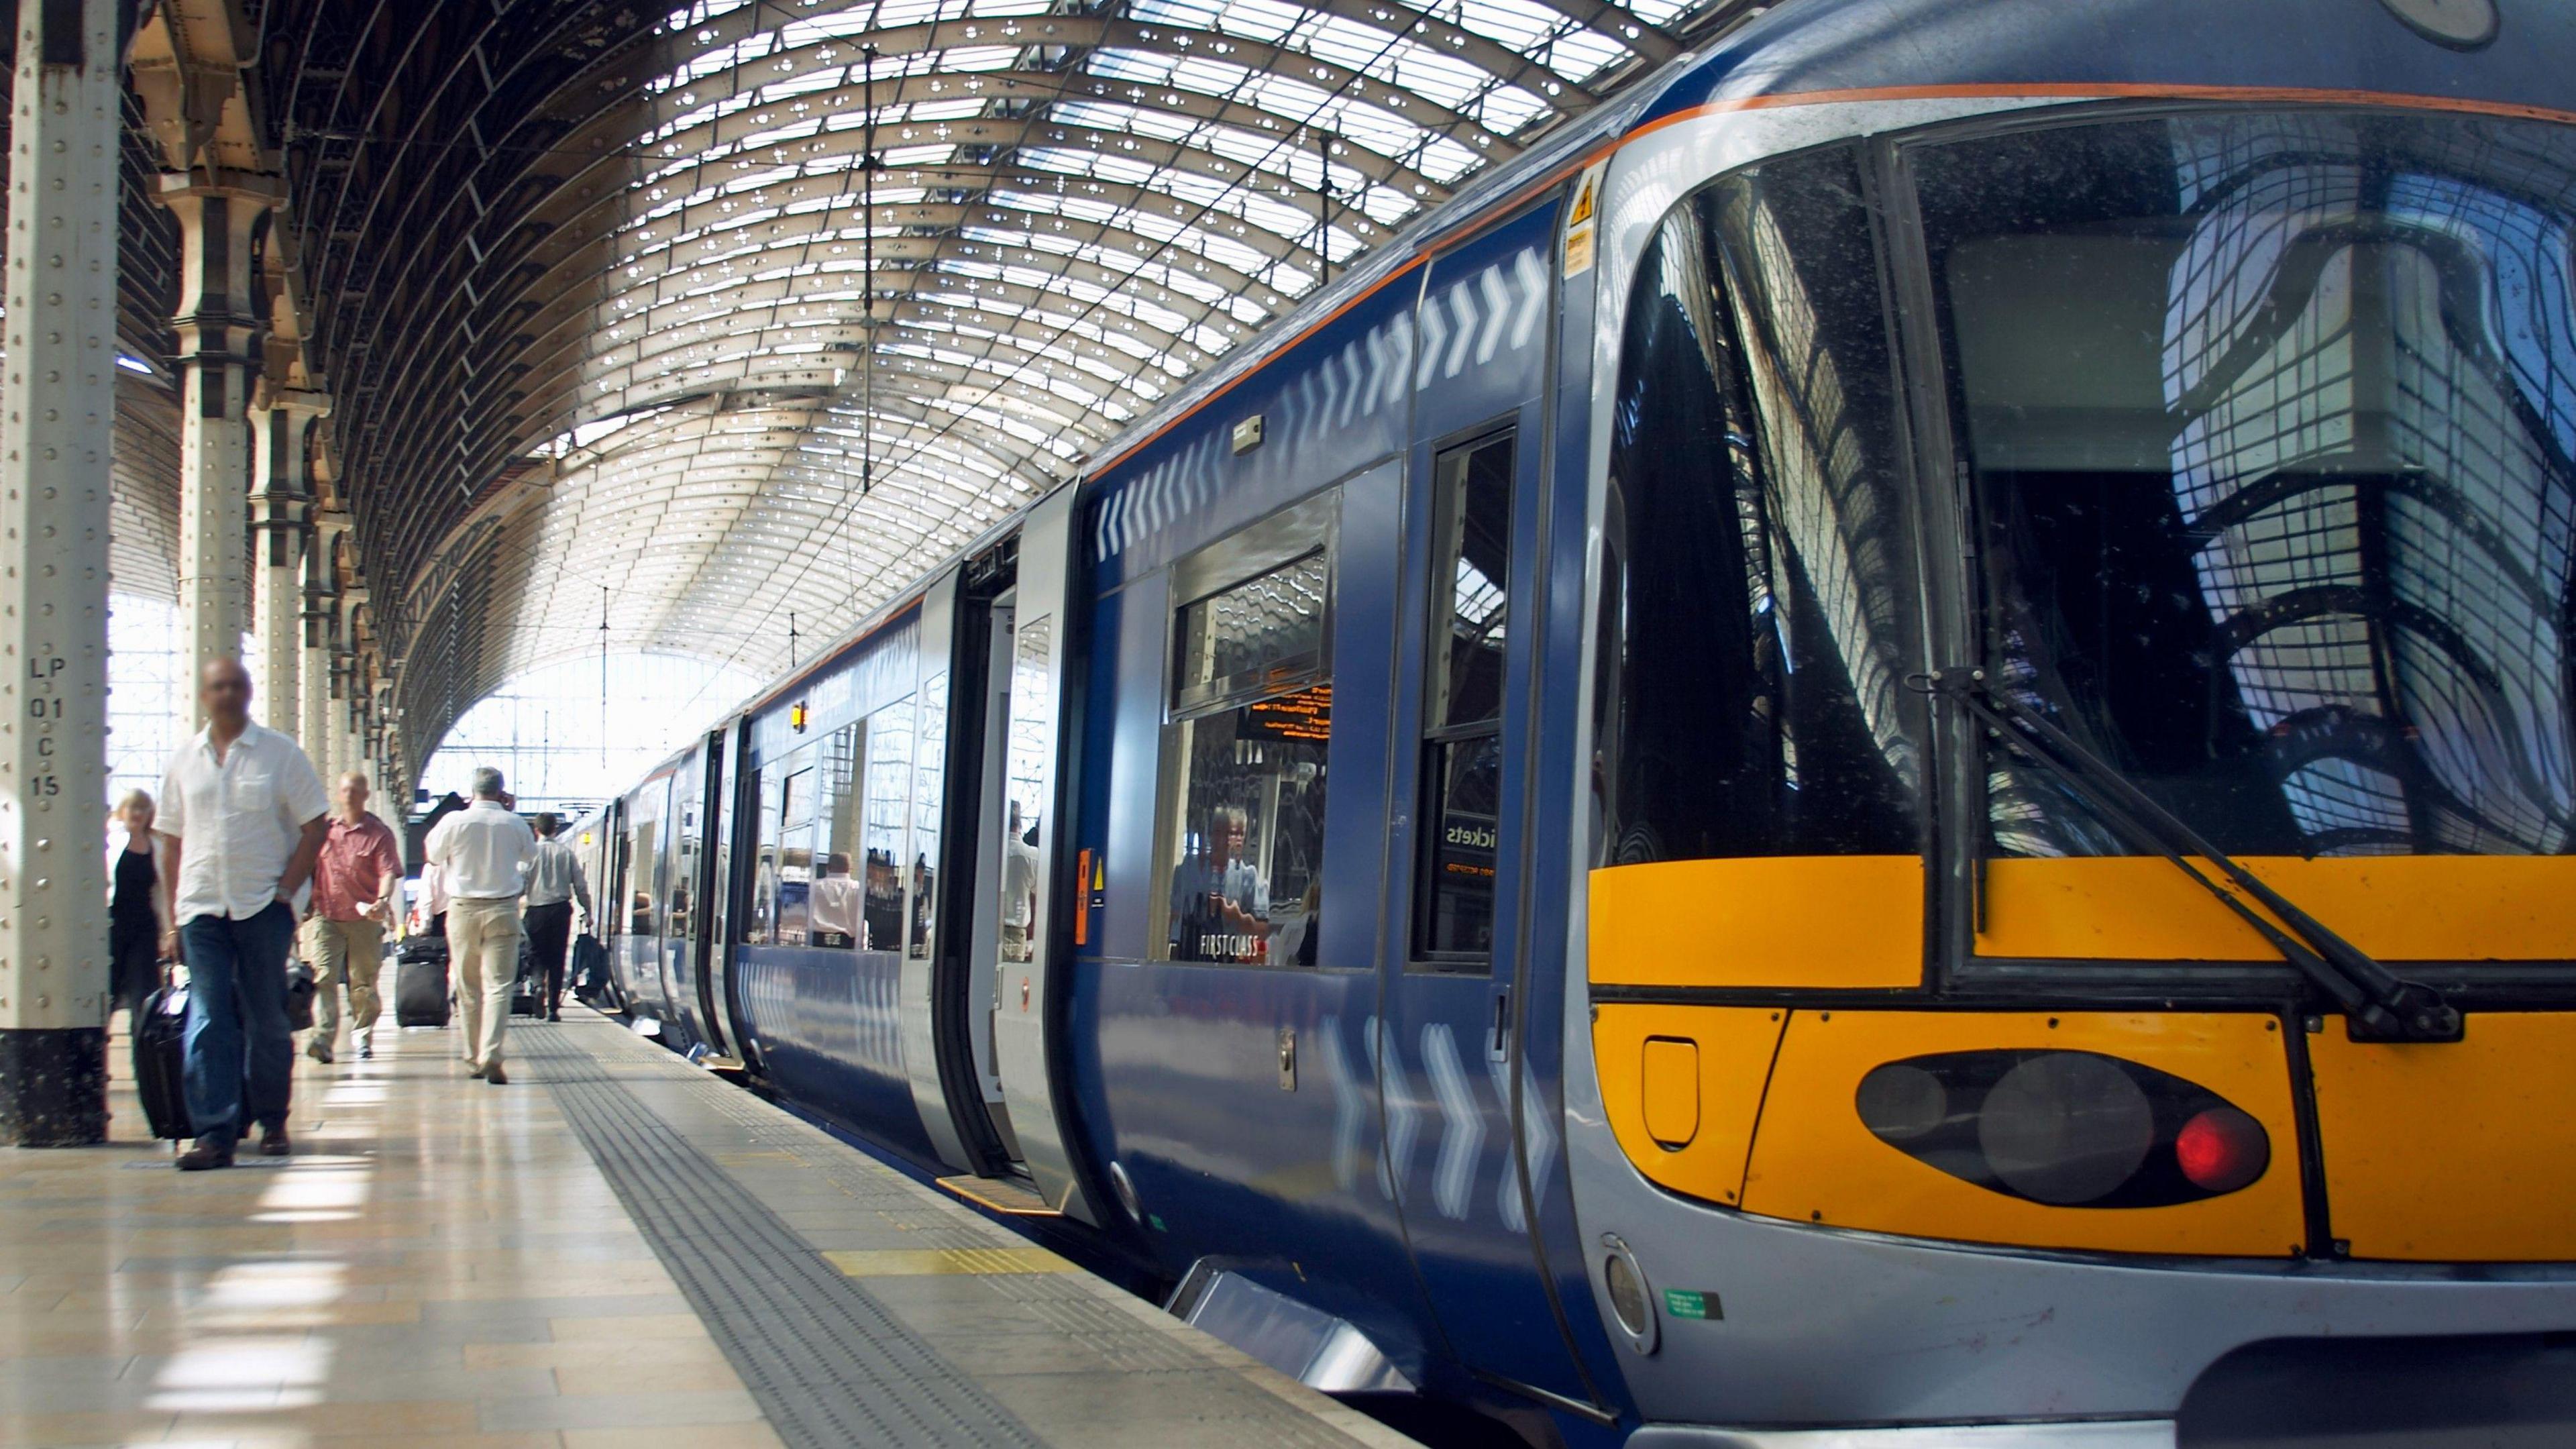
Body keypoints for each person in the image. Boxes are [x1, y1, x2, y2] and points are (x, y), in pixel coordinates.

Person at [156, 658, 330, 1171]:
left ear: (248, 692)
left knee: (267, 1019)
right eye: (217, 687)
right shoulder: (185, 760)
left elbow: (316, 827)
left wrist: (287, 890)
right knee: (209, 1018)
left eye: (235, 685)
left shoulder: (280, 755)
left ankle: (273, 1119)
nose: (227, 694)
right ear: (204, 695)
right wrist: (172, 918)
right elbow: (170, 842)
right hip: (201, 907)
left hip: (263, 907)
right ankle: (215, 1132)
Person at [423, 767, 535, 1084]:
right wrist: (510, 814)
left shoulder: (454, 821)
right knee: (499, 986)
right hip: (503, 908)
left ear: (471, 792)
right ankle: (492, 1054)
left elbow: (433, 856)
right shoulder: (514, 822)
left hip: (463, 910)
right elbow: (530, 855)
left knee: (468, 986)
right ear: (502, 792)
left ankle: (473, 1059)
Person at [304, 772, 403, 1063]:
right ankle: (322, 1038)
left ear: (366, 795)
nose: (349, 795)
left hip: (364, 920)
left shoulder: (379, 834)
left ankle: (362, 1036)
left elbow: (387, 872)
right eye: (345, 790)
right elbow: (311, 867)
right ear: (338, 794)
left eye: (355, 791)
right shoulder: (326, 832)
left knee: (362, 983)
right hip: (327, 916)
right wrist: (306, 903)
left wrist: (383, 901)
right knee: (323, 977)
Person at [106, 790, 172, 1024]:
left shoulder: (158, 845)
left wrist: (168, 932)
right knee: (106, 991)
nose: (137, 813)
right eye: (133, 808)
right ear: (122, 811)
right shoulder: (109, 841)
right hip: (111, 924)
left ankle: (144, 1054)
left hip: (144, 926)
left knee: (144, 995)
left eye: (143, 809)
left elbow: (162, 893)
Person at [521, 812, 592, 1022]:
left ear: (536, 830)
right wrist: (587, 910)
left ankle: (536, 986)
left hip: (536, 910)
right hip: (560, 911)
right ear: (556, 829)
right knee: (557, 958)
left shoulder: (529, 854)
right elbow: (580, 885)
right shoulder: (566, 853)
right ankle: (553, 1009)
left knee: (535, 954)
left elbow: (520, 882)